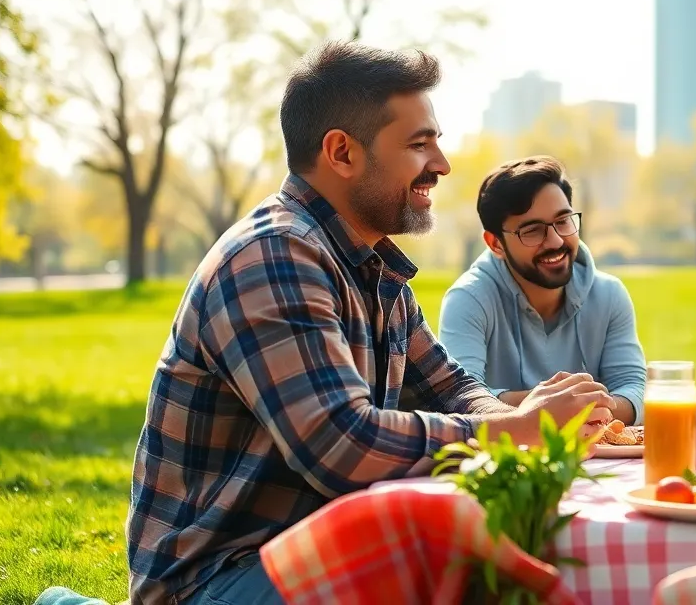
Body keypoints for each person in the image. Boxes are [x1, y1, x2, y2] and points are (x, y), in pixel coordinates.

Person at [123, 43, 613, 605]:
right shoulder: (274, 255)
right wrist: (514, 430)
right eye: (419, 144)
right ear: (342, 152)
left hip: (320, 550)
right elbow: (342, 445)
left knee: (507, 558)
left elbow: (451, 388)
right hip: (216, 578)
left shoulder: (374, 270)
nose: (442, 165)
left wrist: (530, 419)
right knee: (460, 574)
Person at [438, 156, 646, 425]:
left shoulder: (609, 295)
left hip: (596, 449)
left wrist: (573, 406)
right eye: (533, 231)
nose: (556, 241)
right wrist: (553, 406)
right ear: (495, 244)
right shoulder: (468, 300)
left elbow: (636, 390)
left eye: (563, 221)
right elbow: (458, 399)